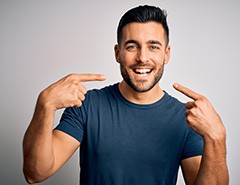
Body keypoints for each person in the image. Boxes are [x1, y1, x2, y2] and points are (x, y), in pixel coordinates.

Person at [23, 5, 229, 185]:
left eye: (153, 47)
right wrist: (45, 105)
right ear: (117, 53)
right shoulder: (87, 106)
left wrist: (216, 138)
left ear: (166, 54)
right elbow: (36, 173)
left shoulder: (186, 118)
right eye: (132, 46)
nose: (142, 57)